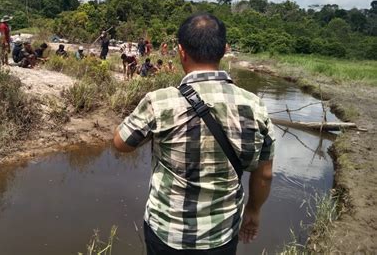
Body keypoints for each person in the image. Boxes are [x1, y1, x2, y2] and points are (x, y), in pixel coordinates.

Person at [113, 13, 275, 254]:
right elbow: (264, 175)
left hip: (167, 232)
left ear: (181, 51)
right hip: (221, 235)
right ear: (225, 50)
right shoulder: (255, 106)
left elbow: (121, 144)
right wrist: (253, 210)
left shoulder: (160, 101)